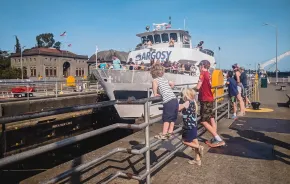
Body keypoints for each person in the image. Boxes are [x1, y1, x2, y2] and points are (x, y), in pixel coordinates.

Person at [196, 60, 225, 147]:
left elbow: (198, 87)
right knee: (211, 118)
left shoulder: (202, 74)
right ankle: (214, 139)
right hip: (210, 98)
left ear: (202, 66)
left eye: (199, 66)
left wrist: (190, 90)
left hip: (205, 99)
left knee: (204, 121)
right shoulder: (209, 74)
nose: (199, 68)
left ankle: (219, 139)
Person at [151, 64, 178, 140]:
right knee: (172, 117)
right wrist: (169, 88)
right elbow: (172, 84)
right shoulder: (164, 79)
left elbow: (155, 92)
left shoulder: (155, 80)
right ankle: (170, 132)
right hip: (174, 100)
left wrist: (156, 93)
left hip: (168, 101)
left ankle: (164, 134)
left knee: (166, 118)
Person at [179, 88, 204, 165]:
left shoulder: (187, 102)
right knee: (194, 140)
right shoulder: (193, 102)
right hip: (193, 125)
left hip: (188, 126)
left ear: (186, 96)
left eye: (182, 95)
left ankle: (199, 147)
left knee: (184, 141)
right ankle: (197, 160)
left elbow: (178, 109)